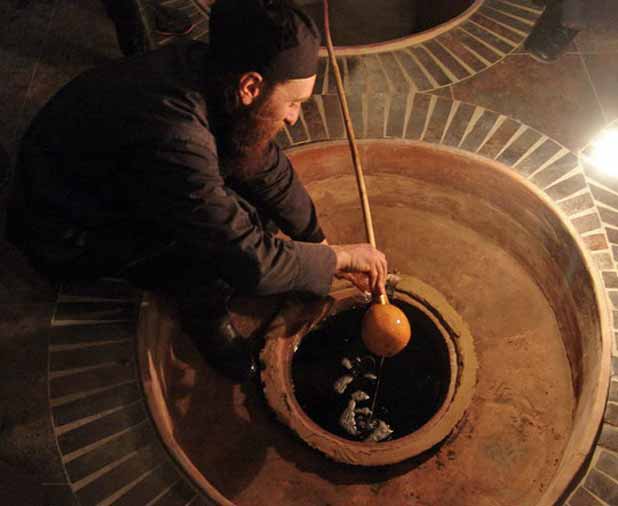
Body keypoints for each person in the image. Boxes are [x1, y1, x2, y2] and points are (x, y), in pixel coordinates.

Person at [6, 0, 387, 380]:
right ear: (251, 86)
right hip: (64, 230)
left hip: (109, 175)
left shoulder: (209, 68)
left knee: (249, 200)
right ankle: (203, 317)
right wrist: (337, 261)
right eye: (293, 103)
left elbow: (261, 162)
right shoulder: (174, 135)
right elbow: (248, 260)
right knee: (211, 247)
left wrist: (315, 240)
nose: (294, 117)